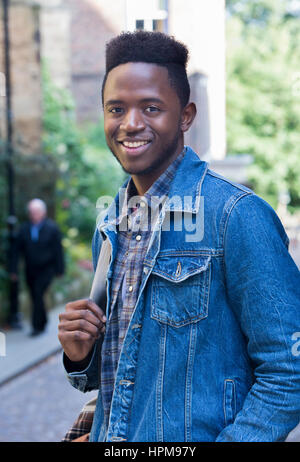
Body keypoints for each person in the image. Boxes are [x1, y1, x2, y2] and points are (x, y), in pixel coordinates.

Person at [58, 31, 300, 442]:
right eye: (116, 108)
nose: (130, 123)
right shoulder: (111, 225)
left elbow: (289, 369)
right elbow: (125, 374)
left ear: (185, 116)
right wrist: (80, 353)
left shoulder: (236, 217)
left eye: (151, 108)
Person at [13, 198, 64, 336]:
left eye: (36, 211)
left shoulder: (52, 228)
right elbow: (16, 250)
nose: (33, 214)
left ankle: (37, 326)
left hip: (46, 269)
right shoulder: (24, 228)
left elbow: (58, 250)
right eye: (31, 212)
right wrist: (14, 270)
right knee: (35, 296)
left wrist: (60, 270)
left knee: (38, 293)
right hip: (30, 269)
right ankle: (43, 321)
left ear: (43, 212)